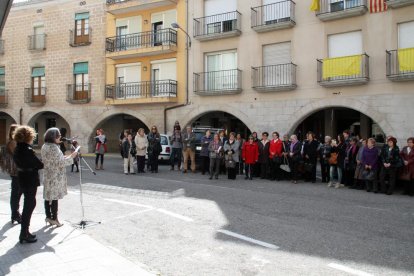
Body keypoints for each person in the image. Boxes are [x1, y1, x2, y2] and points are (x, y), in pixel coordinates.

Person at [13, 125, 44, 243]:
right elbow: (40, 165)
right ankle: (24, 233)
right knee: (29, 205)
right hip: (30, 179)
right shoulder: (27, 149)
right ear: (28, 136)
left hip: (22, 178)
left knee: (28, 203)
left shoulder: (17, 148)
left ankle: (25, 232)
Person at [41, 128, 78, 227]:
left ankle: (48, 217)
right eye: (59, 135)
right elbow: (59, 163)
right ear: (54, 136)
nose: (60, 137)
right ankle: (55, 219)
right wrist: (72, 157)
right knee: (54, 198)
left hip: (48, 175)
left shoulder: (45, 145)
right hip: (55, 176)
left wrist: (68, 156)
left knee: (48, 196)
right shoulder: (53, 147)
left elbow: (55, 160)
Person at [0, 124, 22, 224]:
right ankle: (15, 214)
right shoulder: (13, 142)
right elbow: (17, 156)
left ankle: (15, 214)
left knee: (17, 193)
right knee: (16, 194)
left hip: (16, 172)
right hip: (16, 172)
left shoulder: (14, 141)